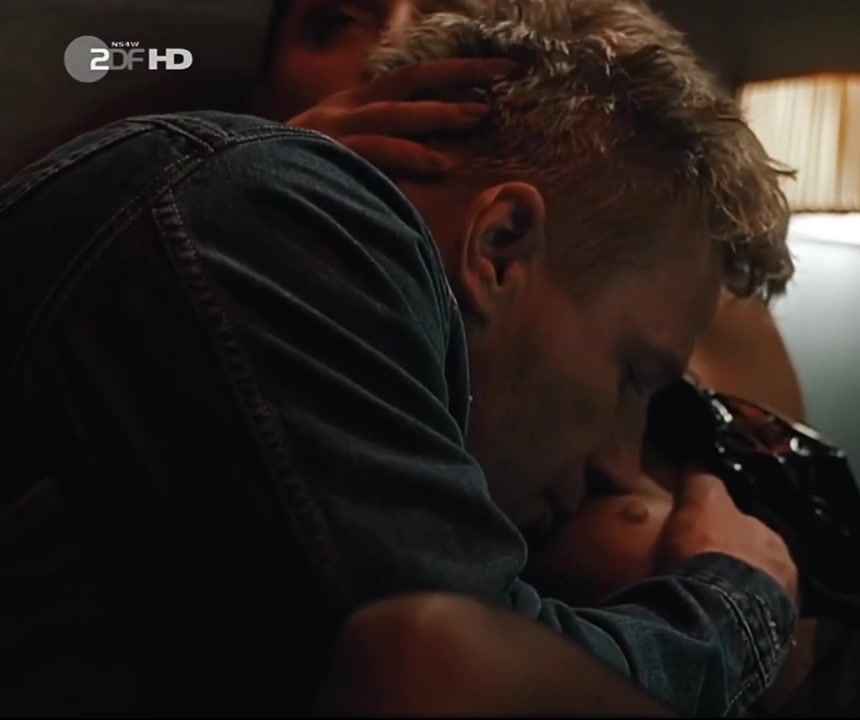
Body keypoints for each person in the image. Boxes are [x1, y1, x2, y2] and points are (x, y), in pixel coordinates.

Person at [0, 1, 803, 716]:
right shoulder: (279, 210)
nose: (619, 463)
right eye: (633, 376)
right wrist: (737, 604)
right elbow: (457, 673)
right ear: (500, 247)